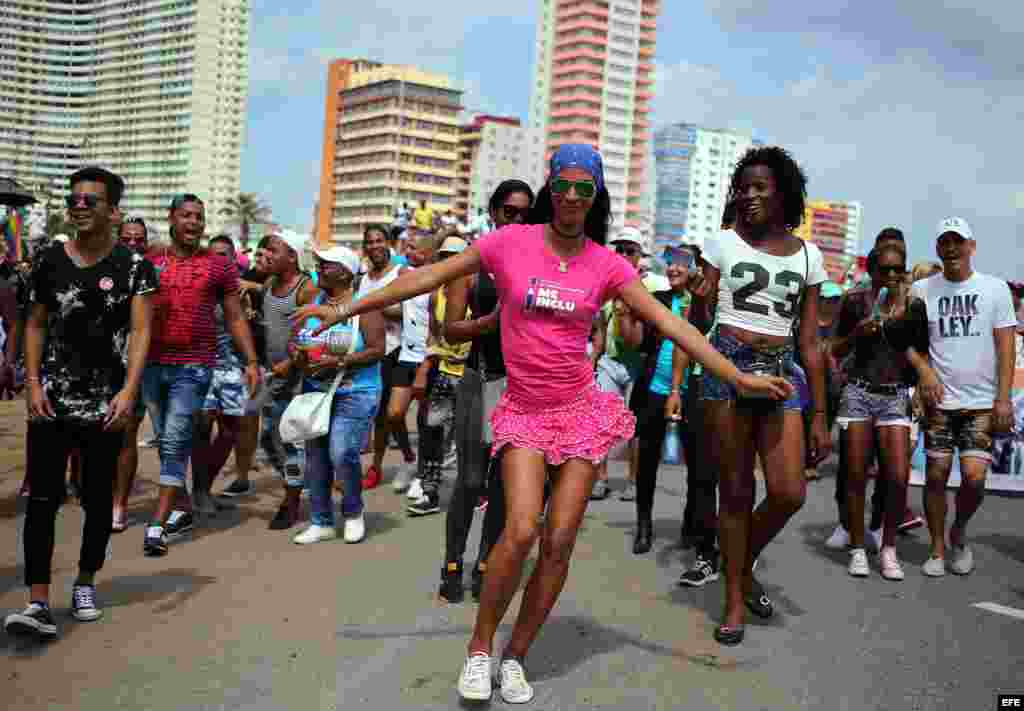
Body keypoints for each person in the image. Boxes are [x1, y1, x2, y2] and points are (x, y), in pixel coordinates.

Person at [295, 144, 790, 702]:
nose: (572, 197)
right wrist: (341, 310)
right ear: (550, 187)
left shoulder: (606, 264)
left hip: (579, 411)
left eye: (585, 188)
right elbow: (427, 275)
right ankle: (480, 650)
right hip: (524, 411)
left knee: (558, 541)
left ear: (595, 194)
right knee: (522, 527)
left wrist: (739, 378)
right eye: (563, 185)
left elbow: (678, 331)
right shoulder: (510, 243)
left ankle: (516, 657)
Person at [4, 166, 156, 640]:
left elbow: (140, 331)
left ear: (113, 211)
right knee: (43, 500)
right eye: (75, 199)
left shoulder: (134, 267)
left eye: (91, 200)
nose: (80, 207)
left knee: (95, 500)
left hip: (106, 404)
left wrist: (129, 391)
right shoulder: (49, 260)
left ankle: (86, 583)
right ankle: (37, 601)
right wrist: (32, 382)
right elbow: (33, 324)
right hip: (52, 399)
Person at [688, 146, 830, 646]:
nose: (748, 196)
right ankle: (732, 600)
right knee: (737, 491)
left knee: (789, 491)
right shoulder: (721, 243)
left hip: (780, 371)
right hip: (727, 366)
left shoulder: (810, 255)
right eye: (743, 187)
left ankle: (740, 563)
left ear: (782, 194)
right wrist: (700, 298)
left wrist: (820, 417)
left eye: (759, 188)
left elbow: (811, 342)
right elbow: (698, 322)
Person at [140, 194, 260, 555]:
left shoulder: (219, 267)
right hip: (151, 363)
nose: (193, 223)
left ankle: (157, 525)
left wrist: (251, 361)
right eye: (186, 216)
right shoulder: (150, 261)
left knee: (176, 436)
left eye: (199, 217)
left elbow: (236, 316)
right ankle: (181, 506)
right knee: (164, 438)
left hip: (194, 365)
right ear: (172, 218)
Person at [440, 178, 534, 604]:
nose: (517, 219)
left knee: (501, 484)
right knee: (471, 479)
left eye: (524, 213)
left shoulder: (538, 260)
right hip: (480, 378)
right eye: (509, 211)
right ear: (493, 212)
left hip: (522, 384)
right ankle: (453, 562)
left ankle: (485, 563)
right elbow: (451, 328)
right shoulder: (472, 262)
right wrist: (487, 324)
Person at [908, 217, 1016, 577]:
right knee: (936, 474)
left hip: (983, 403)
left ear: (971, 246)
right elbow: (910, 341)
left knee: (973, 478)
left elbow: (1006, 347)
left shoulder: (995, 289)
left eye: (958, 242)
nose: (951, 248)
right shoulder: (922, 290)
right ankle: (937, 548)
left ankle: (959, 531)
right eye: (945, 242)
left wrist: (1003, 400)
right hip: (939, 402)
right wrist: (924, 375)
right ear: (938, 248)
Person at [830, 243, 928, 580]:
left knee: (898, 477)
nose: (890, 275)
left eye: (896, 269)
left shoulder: (914, 306)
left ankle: (888, 549)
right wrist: (857, 335)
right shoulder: (856, 302)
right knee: (856, 474)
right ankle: (858, 548)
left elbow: (920, 353)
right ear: (871, 270)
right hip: (857, 392)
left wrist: (918, 392)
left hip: (895, 396)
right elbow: (834, 348)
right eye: (883, 269)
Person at [291, 245, 386, 544]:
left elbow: (377, 349)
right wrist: (298, 354)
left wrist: (339, 362)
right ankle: (321, 521)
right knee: (316, 458)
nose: (317, 267)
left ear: (345, 273)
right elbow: (297, 340)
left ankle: (353, 511)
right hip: (316, 390)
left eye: (325, 264)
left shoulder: (365, 306)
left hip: (356, 390)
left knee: (342, 452)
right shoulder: (312, 301)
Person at [630, 242, 698, 554]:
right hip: (654, 391)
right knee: (647, 461)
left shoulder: (705, 306)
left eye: (682, 262)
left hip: (694, 393)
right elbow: (636, 343)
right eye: (670, 261)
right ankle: (644, 526)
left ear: (697, 268)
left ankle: (690, 525)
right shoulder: (658, 301)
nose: (673, 268)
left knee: (698, 465)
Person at [406, 236, 473, 516]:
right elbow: (433, 334)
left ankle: (474, 492)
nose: (447, 262)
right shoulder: (437, 294)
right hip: (445, 372)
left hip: (471, 374)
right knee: (432, 432)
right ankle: (430, 491)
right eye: (443, 256)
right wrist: (424, 369)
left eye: (453, 256)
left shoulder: (475, 289)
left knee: (472, 437)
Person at [259, 230, 319, 530]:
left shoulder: (306, 289)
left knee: (289, 441)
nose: (267, 254)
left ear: (292, 256)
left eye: (273, 250)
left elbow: (312, 336)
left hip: (297, 379)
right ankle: (297, 483)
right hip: (274, 377)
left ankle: (291, 501)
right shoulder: (270, 283)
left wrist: (290, 361)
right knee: (269, 437)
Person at [590, 226, 647, 500]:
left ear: (639, 255)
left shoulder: (650, 285)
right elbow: (599, 329)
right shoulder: (604, 285)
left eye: (629, 250)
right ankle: (600, 478)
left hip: (638, 364)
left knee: (635, 426)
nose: (623, 254)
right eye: (619, 249)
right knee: (601, 421)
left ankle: (634, 481)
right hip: (609, 363)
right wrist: (592, 361)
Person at [358, 224, 415, 490]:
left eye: (379, 240)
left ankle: (410, 458)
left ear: (389, 243)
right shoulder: (364, 278)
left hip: (400, 351)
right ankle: (376, 467)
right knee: (379, 416)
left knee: (394, 414)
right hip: (372, 352)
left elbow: (408, 312)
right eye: (369, 242)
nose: (374, 246)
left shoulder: (401, 273)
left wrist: (373, 306)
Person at [220, 236, 273, 497]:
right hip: (238, 360)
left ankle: (298, 481)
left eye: (267, 255)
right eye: (258, 255)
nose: (260, 260)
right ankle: (241, 473)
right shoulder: (245, 277)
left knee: (264, 422)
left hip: (272, 362)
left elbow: (276, 293)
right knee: (240, 421)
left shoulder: (279, 279)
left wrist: (252, 287)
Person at [112, 215, 154, 530]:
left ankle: (119, 504)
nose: (133, 244)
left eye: (139, 239)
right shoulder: (101, 267)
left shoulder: (148, 272)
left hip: (134, 365)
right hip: (96, 366)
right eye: (127, 239)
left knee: (127, 434)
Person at [387, 231, 435, 494]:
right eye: (406, 247)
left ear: (427, 253)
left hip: (427, 357)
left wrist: (429, 361)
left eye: (413, 248)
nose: (407, 252)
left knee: (426, 421)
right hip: (405, 355)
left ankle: (423, 472)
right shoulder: (404, 275)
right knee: (394, 414)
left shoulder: (438, 281)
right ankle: (408, 458)